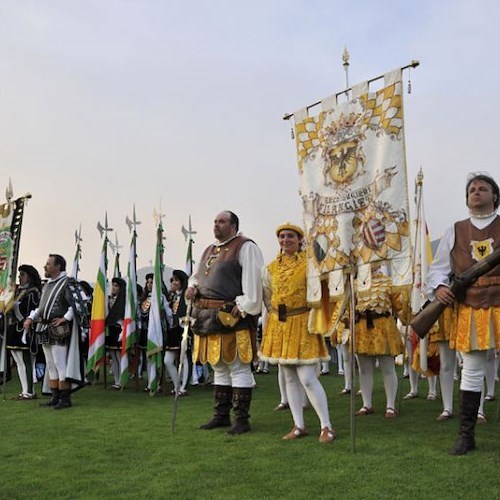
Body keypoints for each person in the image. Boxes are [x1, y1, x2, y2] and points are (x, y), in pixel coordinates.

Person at [425, 172, 500, 455]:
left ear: (495, 196)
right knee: (471, 370)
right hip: (470, 306)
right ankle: (466, 436)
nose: (477, 192)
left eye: (483, 188)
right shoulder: (454, 230)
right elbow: (438, 270)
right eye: (472, 189)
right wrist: (441, 288)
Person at [186, 211, 264, 435]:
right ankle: (221, 416)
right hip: (205, 317)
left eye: (221, 222)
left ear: (234, 225)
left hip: (231, 316)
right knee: (218, 366)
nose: (216, 225)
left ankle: (241, 419)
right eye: (215, 222)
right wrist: (192, 286)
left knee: (238, 367)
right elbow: (196, 275)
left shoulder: (245, 246)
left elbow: (253, 281)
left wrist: (245, 307)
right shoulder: (209, 250)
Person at [259, 223, 335, 443]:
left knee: (308, 378)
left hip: (303, 322)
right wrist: (273, 312)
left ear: (300, 239)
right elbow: (267, 294)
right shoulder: (271, 268)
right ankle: (299, 425)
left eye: (290, 236)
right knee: (289, 378)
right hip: (280, 324)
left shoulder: (311, 264)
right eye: (282, 236)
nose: (285, 240)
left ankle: (326, 425)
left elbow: (324, 285)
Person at [23, 254, 83, 410]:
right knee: (50, 365)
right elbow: (41, 308)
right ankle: (55, 396)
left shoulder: (68, 282)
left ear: (58, 267)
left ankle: (65, 398)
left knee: (60, 363)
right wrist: (30, 318)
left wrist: (65, 318)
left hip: (58, 329)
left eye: (48, 264)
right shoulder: (48, 284)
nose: (45, 266)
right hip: (43, 328)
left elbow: (80, 301)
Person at [351, 265, 408, 419]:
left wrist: (407, 307)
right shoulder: (355, 282)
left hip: (383, 326)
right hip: (362, 327)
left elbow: (399, 306)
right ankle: (366, 404)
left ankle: (390, 405)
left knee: (387, 367)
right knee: (364, 369)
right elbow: (350, 306)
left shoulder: (388, 282)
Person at [6, 265, 42, 400]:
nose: (20, 277)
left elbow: (32, 309)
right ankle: (24, 390)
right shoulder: (19, 292)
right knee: (17, 360)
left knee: (25, 360)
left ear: (29, 277)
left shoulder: (33, 292)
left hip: (25, 329)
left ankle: (30, 391)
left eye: (22, 275)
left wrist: (14, 306)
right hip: (15, 328)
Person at [164, 269, 190, 396]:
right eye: (173, 280)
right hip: (172, 330)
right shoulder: (172, 297)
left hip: (183, 329)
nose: (173, 283)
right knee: (168, 360)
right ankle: (177, 385)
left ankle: (183, 387)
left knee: (183, 358)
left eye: (176, 280)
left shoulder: (187, 297)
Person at [106, 277, 126, 390]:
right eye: (112, 285)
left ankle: (121, 380)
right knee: (113, 356)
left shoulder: (123, 301)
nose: (113, 288)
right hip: (112, 330)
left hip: (120, 330)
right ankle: (116, 380)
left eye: (116, 286)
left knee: (119, 356)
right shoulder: (110, 300)